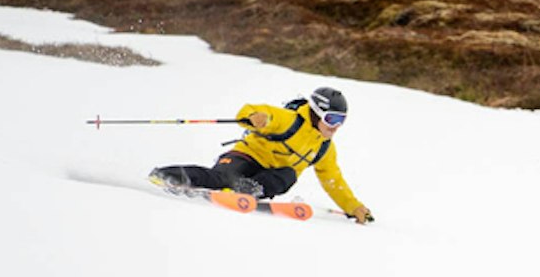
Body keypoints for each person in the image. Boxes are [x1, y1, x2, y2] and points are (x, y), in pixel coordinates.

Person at [149, 84, 374, 223]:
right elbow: (251, 110)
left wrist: (353, 207)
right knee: (220, 179)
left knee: (288, 174)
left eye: (341, 121)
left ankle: (248, 191)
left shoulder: (324, 147)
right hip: (246, 157)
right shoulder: (290, 120)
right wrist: (258, 117)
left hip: (268, 176)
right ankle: (166, 175)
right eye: (332, 119)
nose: (336, 126)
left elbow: (333, 180)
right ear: (316, 114)